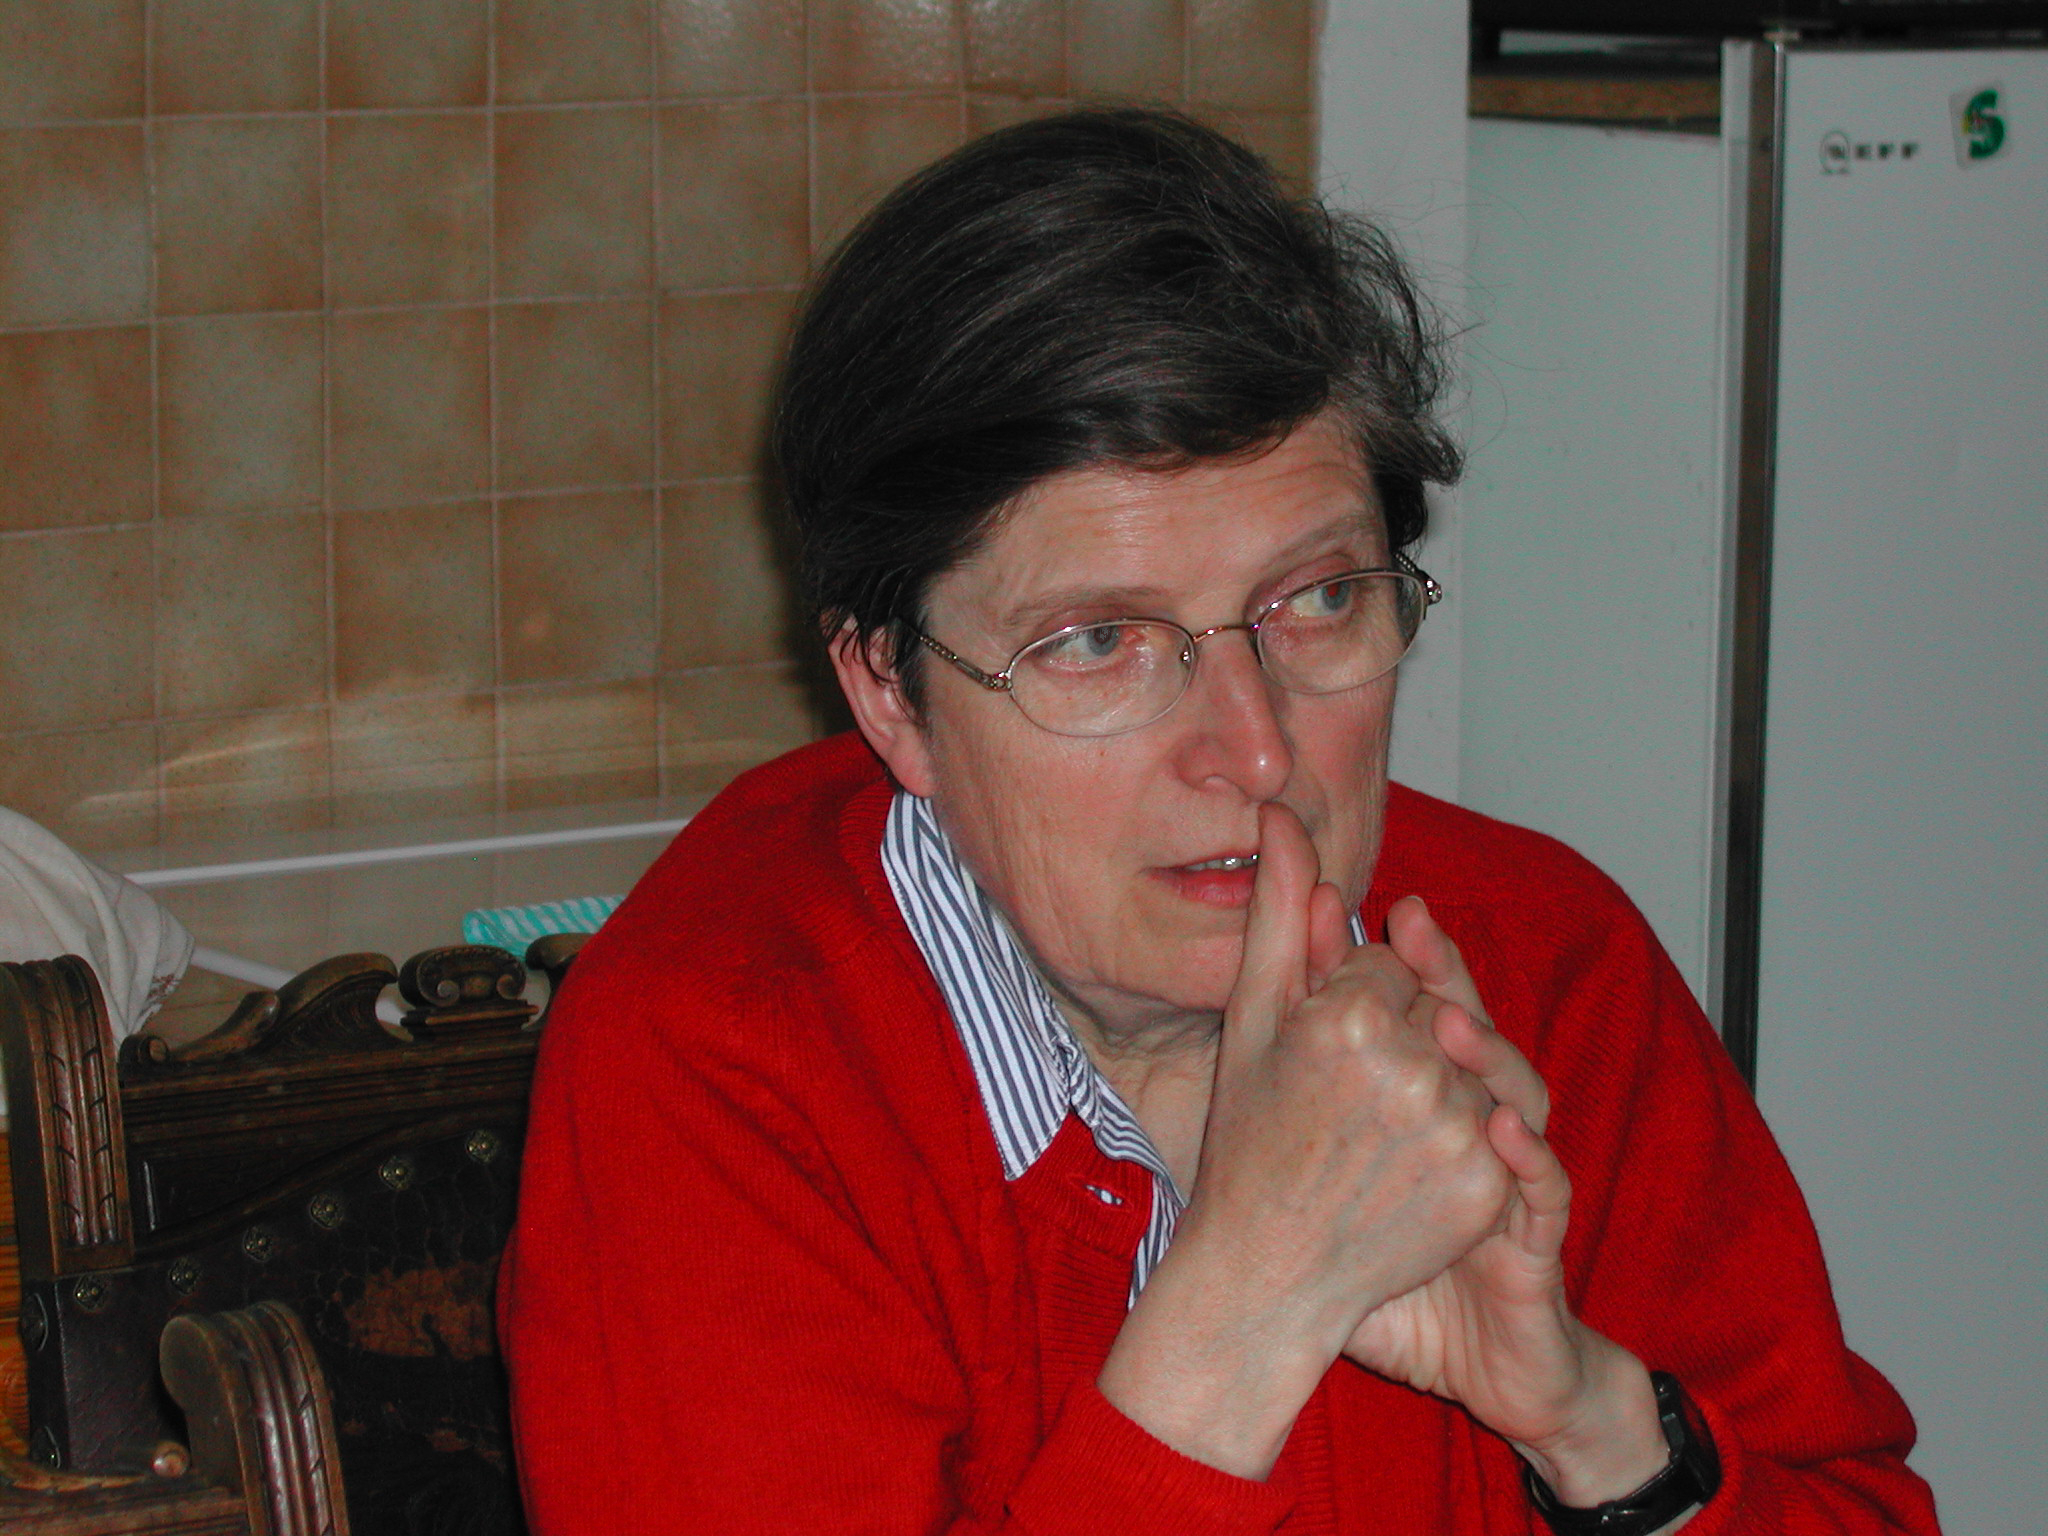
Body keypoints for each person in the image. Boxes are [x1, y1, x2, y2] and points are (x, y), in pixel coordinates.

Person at [500, 110, 1939, 1535]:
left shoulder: (1545, 959)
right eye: (1097, 643)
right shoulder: (722, 1066)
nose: (1257, 751)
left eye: (1317, 600)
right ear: (891, 690)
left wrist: (1589, 1423)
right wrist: (1259, 1294)